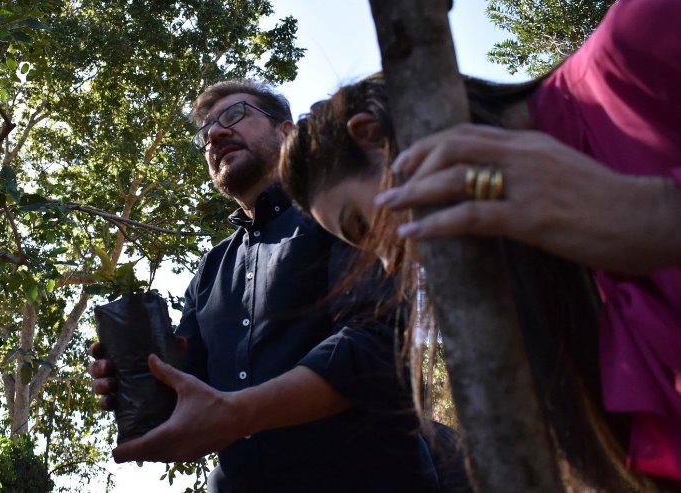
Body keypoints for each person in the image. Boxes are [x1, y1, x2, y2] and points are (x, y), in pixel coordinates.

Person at [278, 0, 681, 489]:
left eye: (365, 227)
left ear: (373, 137)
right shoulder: (542, 303)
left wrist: (656, 214)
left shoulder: (639, 40)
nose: (390, 261)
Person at [89, 80, 463, 493]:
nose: (214, 134)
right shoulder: (210, 269)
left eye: (234, 115)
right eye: (206, 131)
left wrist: (239, 412)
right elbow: (189, 392)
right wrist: (139, 377)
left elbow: (375, 346)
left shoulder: (341, 213)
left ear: (286, 132)